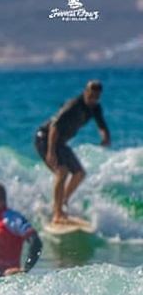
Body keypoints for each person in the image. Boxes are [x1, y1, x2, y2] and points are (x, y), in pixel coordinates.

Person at [36, 79, 109, 224]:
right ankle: (57, 213)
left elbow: (101, 124)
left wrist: (105, 136)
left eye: (96, 97)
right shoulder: (73, 105)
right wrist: (50, 151)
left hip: (60, 143)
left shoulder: (95, 107)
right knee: (61, 172)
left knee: (79, 173)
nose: (93, 100)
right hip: (45, 139)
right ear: (85, 92)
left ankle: (62, 203)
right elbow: (54, 127)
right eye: (91, 96)